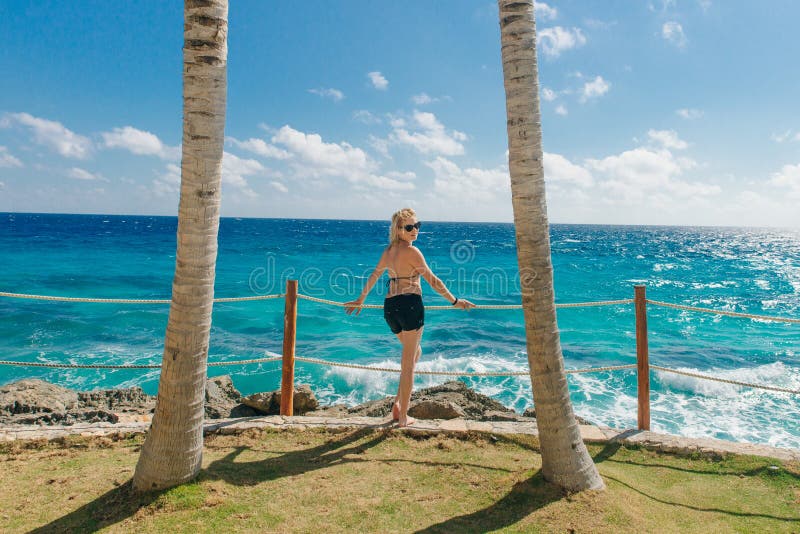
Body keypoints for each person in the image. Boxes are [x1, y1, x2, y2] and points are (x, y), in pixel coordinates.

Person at [345, 208, 476, 427]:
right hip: (410, 306)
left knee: (415, 352)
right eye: (409, 227)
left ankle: (397, 404)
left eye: (417, 225)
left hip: (390, 308)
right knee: (408, 365)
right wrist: (455, 301)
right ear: (398, 229)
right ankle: (403, 417)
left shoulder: (389, 251)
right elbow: (434, 281)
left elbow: (375, 275)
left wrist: (361, 298)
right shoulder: (413, 252)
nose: (415, 230)